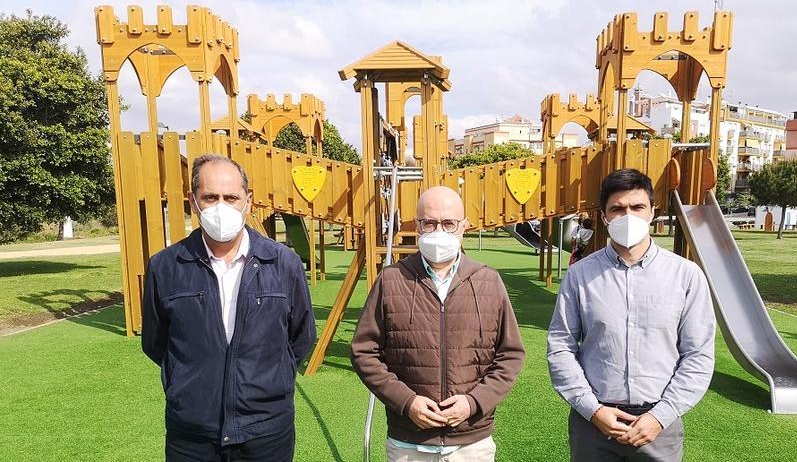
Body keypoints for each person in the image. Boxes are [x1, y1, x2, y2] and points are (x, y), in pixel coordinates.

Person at [141, 154, 316, 461]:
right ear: (193, 202)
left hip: (265, 431)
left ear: (247, 201)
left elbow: (301, 337)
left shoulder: (283, 263)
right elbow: (156, 343)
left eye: (231, 197)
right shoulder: (165, 267)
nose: (221, 206)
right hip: (192, 433)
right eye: (210, 197)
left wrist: (270, 380)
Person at [547, 169, 716, 462]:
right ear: (604, 217)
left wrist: (660, 416)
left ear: (652, 211)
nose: (628, 216)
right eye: (617, 209)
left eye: (637, 207)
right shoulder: (579, 276)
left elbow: (698, 354)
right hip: (594, 423)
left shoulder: (686, 276)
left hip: (659, 424)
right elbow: (561, 347)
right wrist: (593, 410)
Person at [351, 186, 526, 462]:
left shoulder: (488, 281)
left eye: (448, 223)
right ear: (417, 226)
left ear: (464, 226)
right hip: (408, 443)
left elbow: (511, 355)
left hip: (472, 442)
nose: (438, 231)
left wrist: (473, 403)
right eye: (429, 223)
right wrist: (407, 402)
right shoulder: (391, 279)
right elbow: (364, 352)